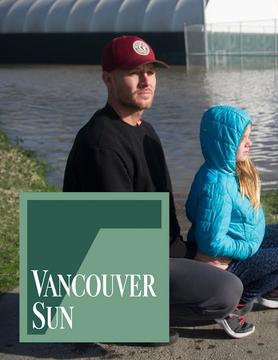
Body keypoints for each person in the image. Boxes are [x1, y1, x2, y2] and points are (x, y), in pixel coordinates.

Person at [62, 35, 250, 341]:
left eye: (151, 71)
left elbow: (162, 224)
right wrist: (197, 262)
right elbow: (118, 244)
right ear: (108, 79)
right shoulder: (102, 145)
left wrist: (198, 253)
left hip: (152, 252)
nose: (145, 80)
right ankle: (117, 316)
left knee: (248, 246)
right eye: (134, 73)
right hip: (108, 271)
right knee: (226, 289)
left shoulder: (145, 130)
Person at [185, 105, 278, 329]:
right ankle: (235, 304)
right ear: (225, 143)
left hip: (239, 246)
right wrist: (247, 247)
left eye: (248, 137)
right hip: (225, 263)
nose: (249, 143)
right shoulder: (217, 184)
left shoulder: (227, 169)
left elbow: (193, 211)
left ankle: (273, 291)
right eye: (243, 139)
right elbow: (211, 242)